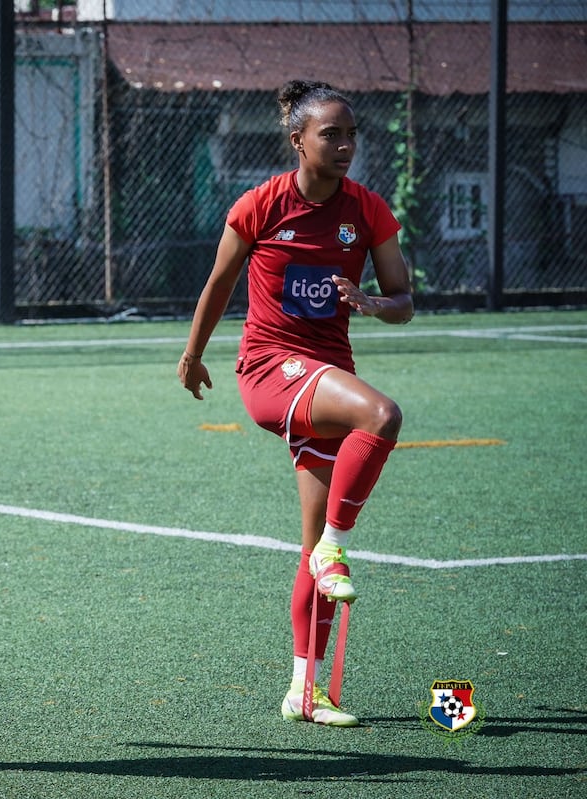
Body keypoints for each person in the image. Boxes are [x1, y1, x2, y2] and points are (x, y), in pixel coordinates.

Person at [177, 80, 413, 727]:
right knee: (383, 414)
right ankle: (337, 545)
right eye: (330, 134)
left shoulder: (368, 210)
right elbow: (219, 283)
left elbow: (403, 299)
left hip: (326, 379)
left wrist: (370, 303)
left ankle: (304, 691)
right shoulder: (260, 205)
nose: (345, 145)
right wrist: (193, 354)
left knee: (309, 541)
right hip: (268, 370)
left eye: (351, 134)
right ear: (297, 140)